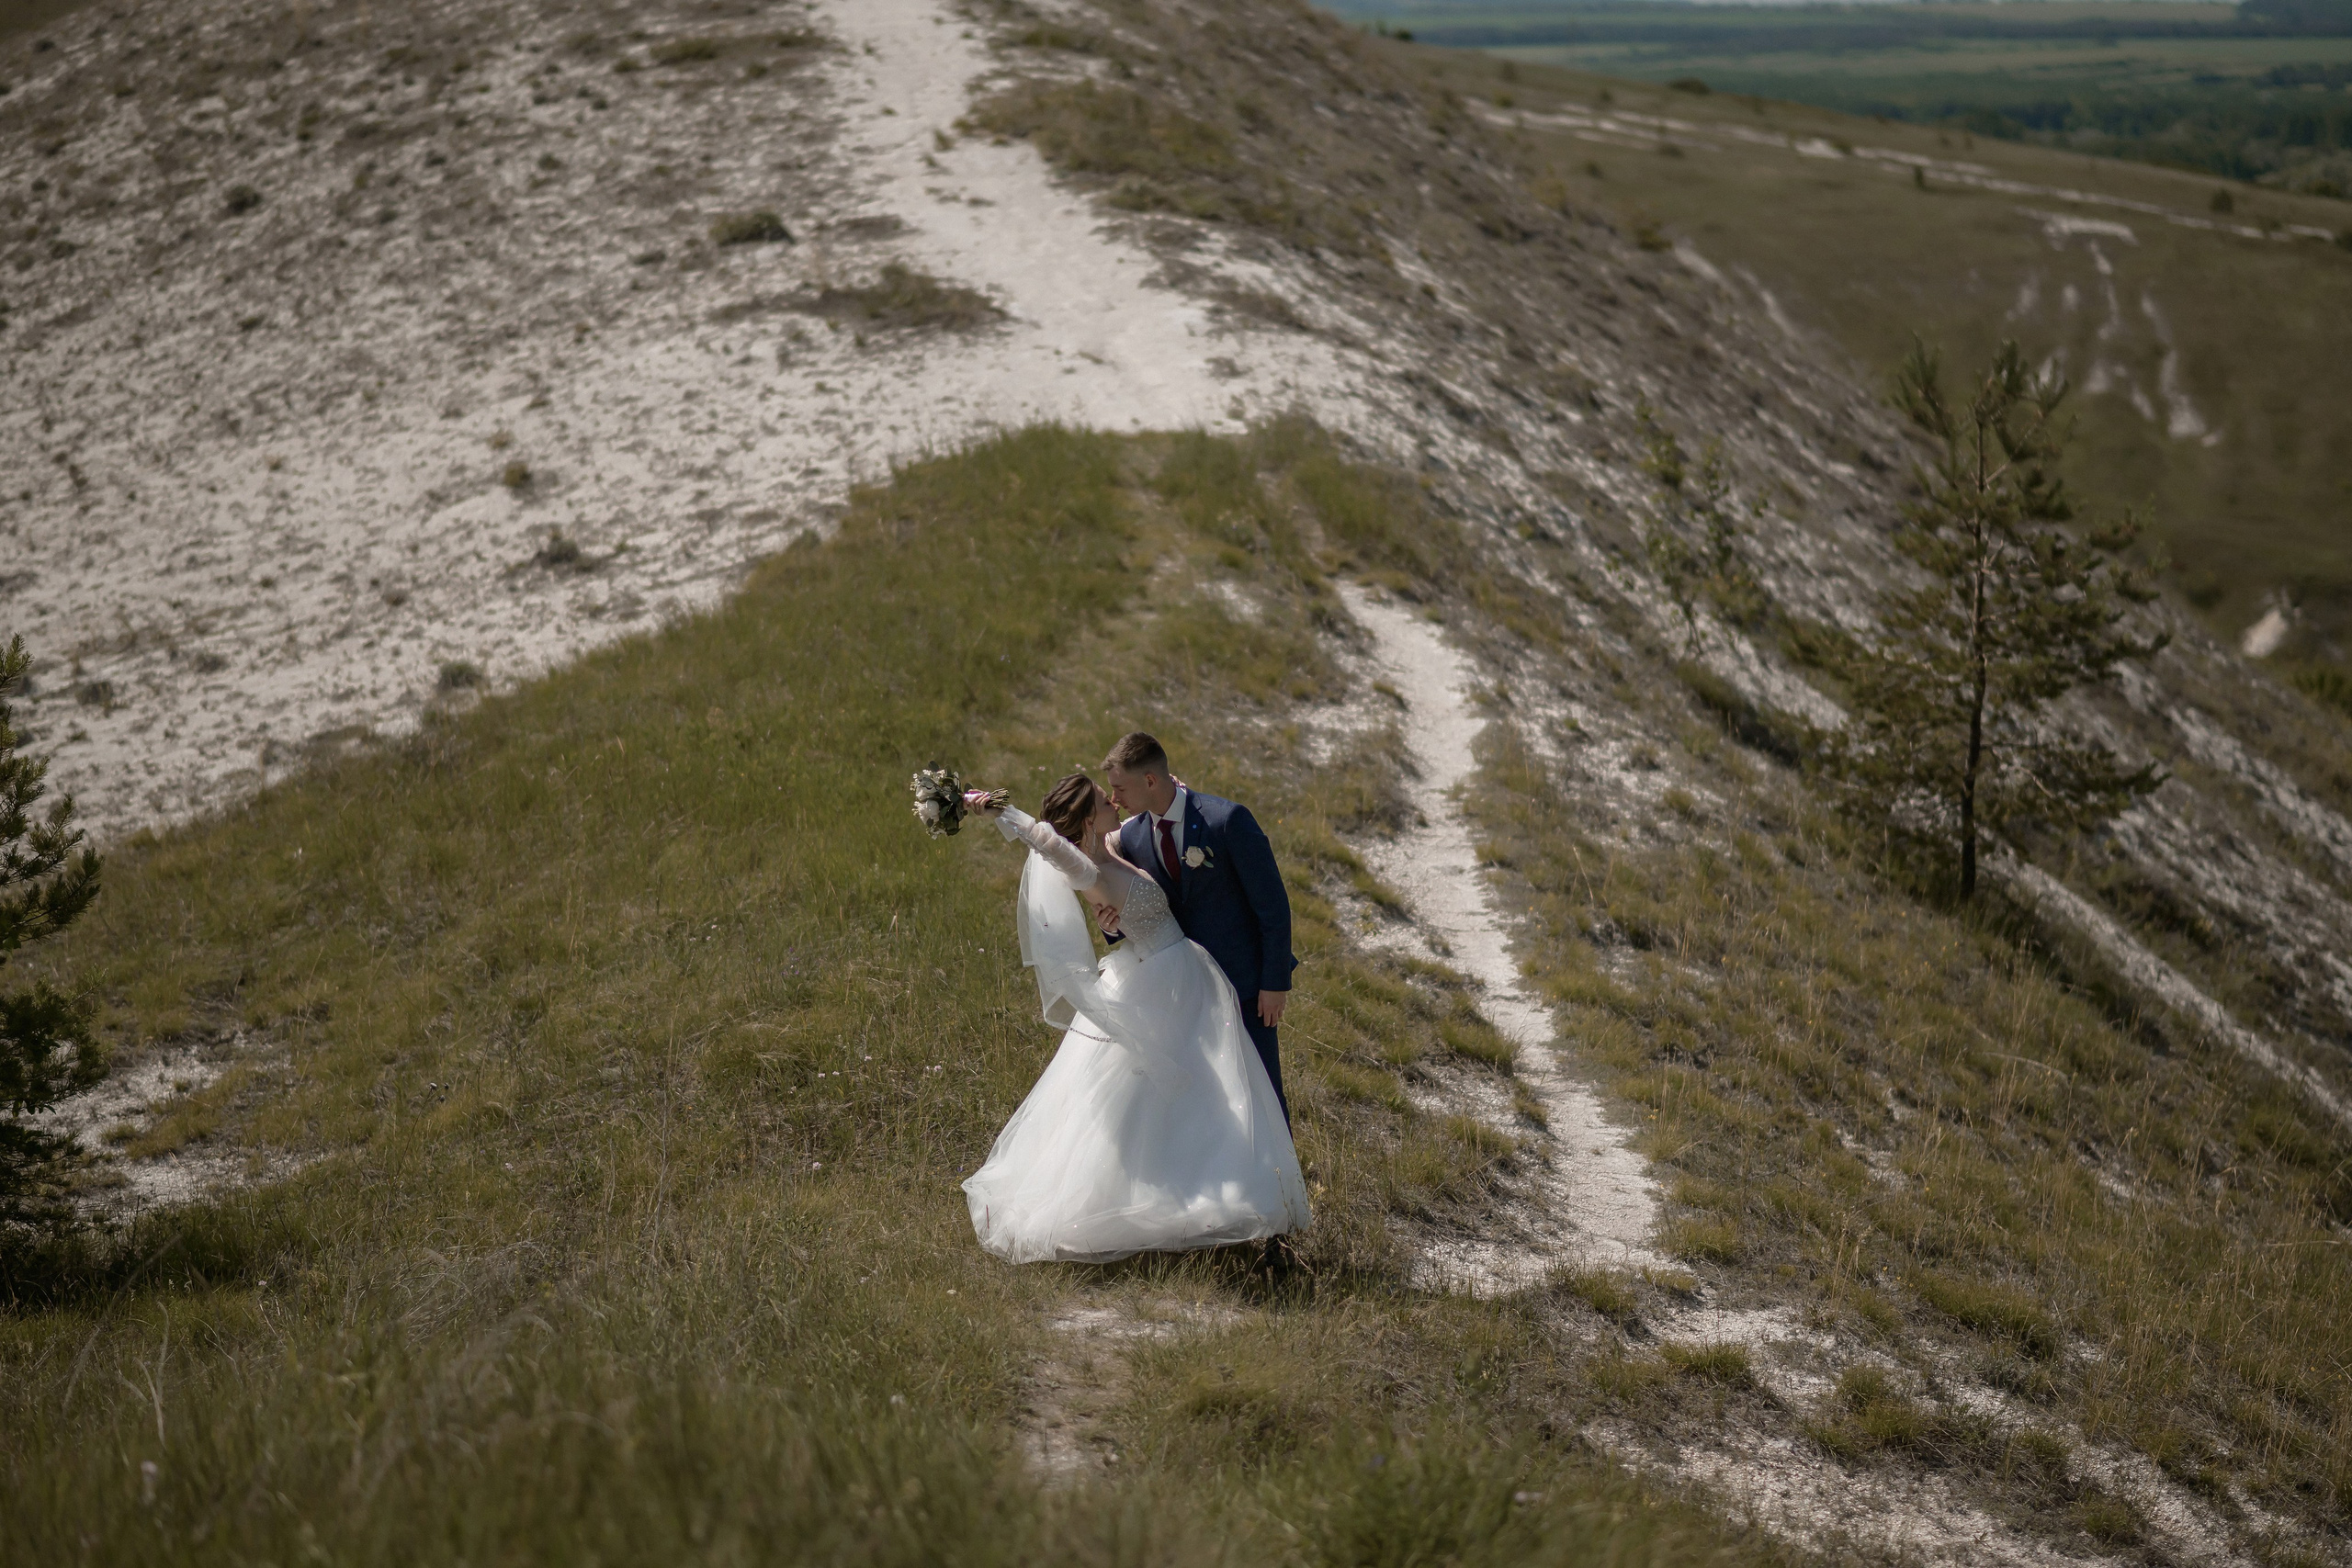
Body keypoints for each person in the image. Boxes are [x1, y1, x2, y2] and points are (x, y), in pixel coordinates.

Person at [961, 772, 1310, 1264]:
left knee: (1199, 1090)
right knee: (1163, 1093)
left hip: (1176, 971)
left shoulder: (1107, 847)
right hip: (1162, 980)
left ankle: (1208, 1193)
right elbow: (1050, 845)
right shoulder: (1086, 869)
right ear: (1086, 819)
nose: (1113, 802)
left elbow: (1152, 817)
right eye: (1105, 800)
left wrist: (1173, 792)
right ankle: (1173, 1204)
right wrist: (1003, 813)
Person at [1102, 732, 1296, 1125]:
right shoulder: (1133, 836)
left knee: (1261, 1092)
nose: (1114, 800)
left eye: (1120, 788)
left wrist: (1274, 983)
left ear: (1151, 781)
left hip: (1243, 987)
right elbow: (1143, 907)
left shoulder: (1226, 821)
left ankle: (1279, 1184)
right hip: (1181, 991)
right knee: (1206, 1101)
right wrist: (1112, 927)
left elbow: (1272, 906)